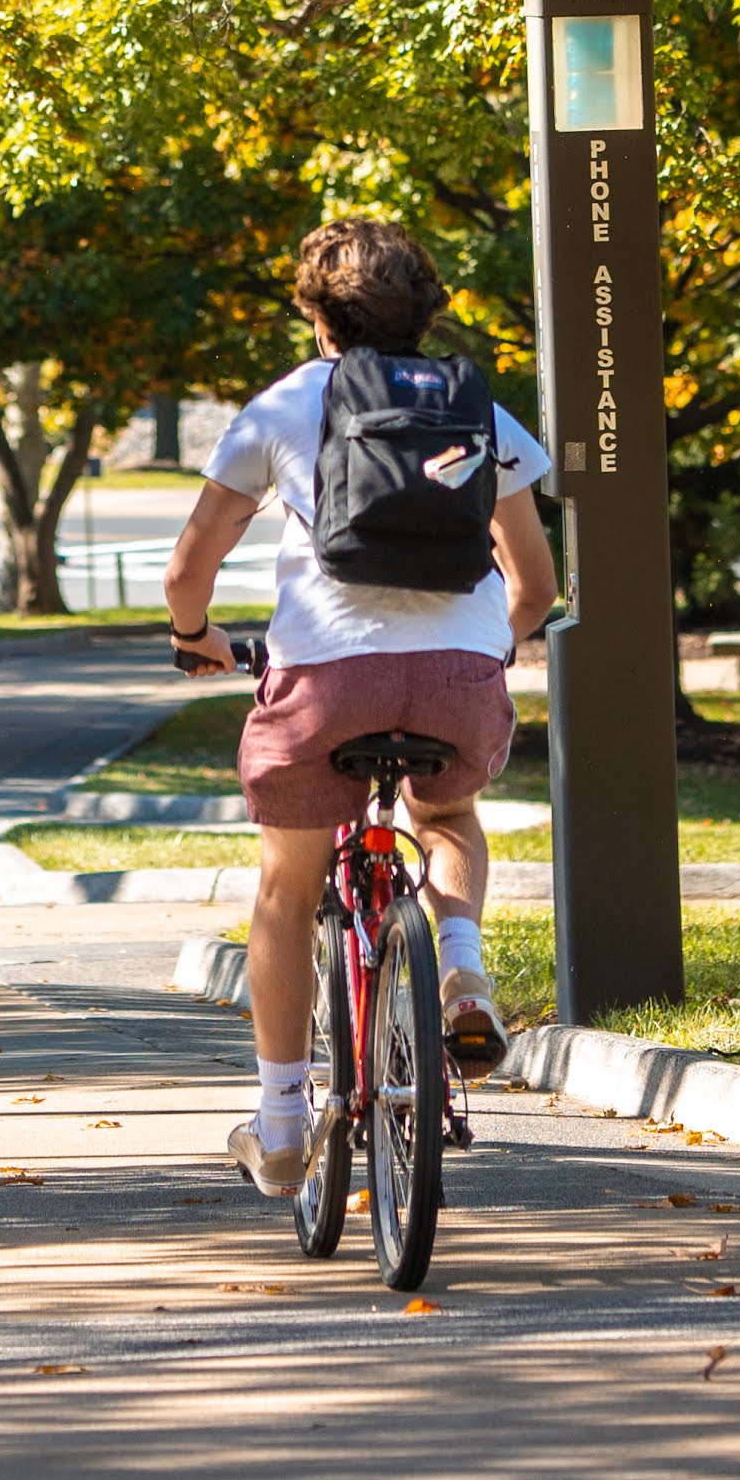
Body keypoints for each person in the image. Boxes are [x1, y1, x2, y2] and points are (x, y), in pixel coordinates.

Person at [165, 212, 559, 1199]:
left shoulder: (281, 408)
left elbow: (188, 568)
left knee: (286, 890)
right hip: (457, 676)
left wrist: (194, 638)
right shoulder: (475, 408)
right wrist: (488, 648)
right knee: (447, 818)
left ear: (316, 317)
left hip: (319, 683)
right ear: (425, 310)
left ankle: (278, 1118)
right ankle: (460, 963)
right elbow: (536, 583)